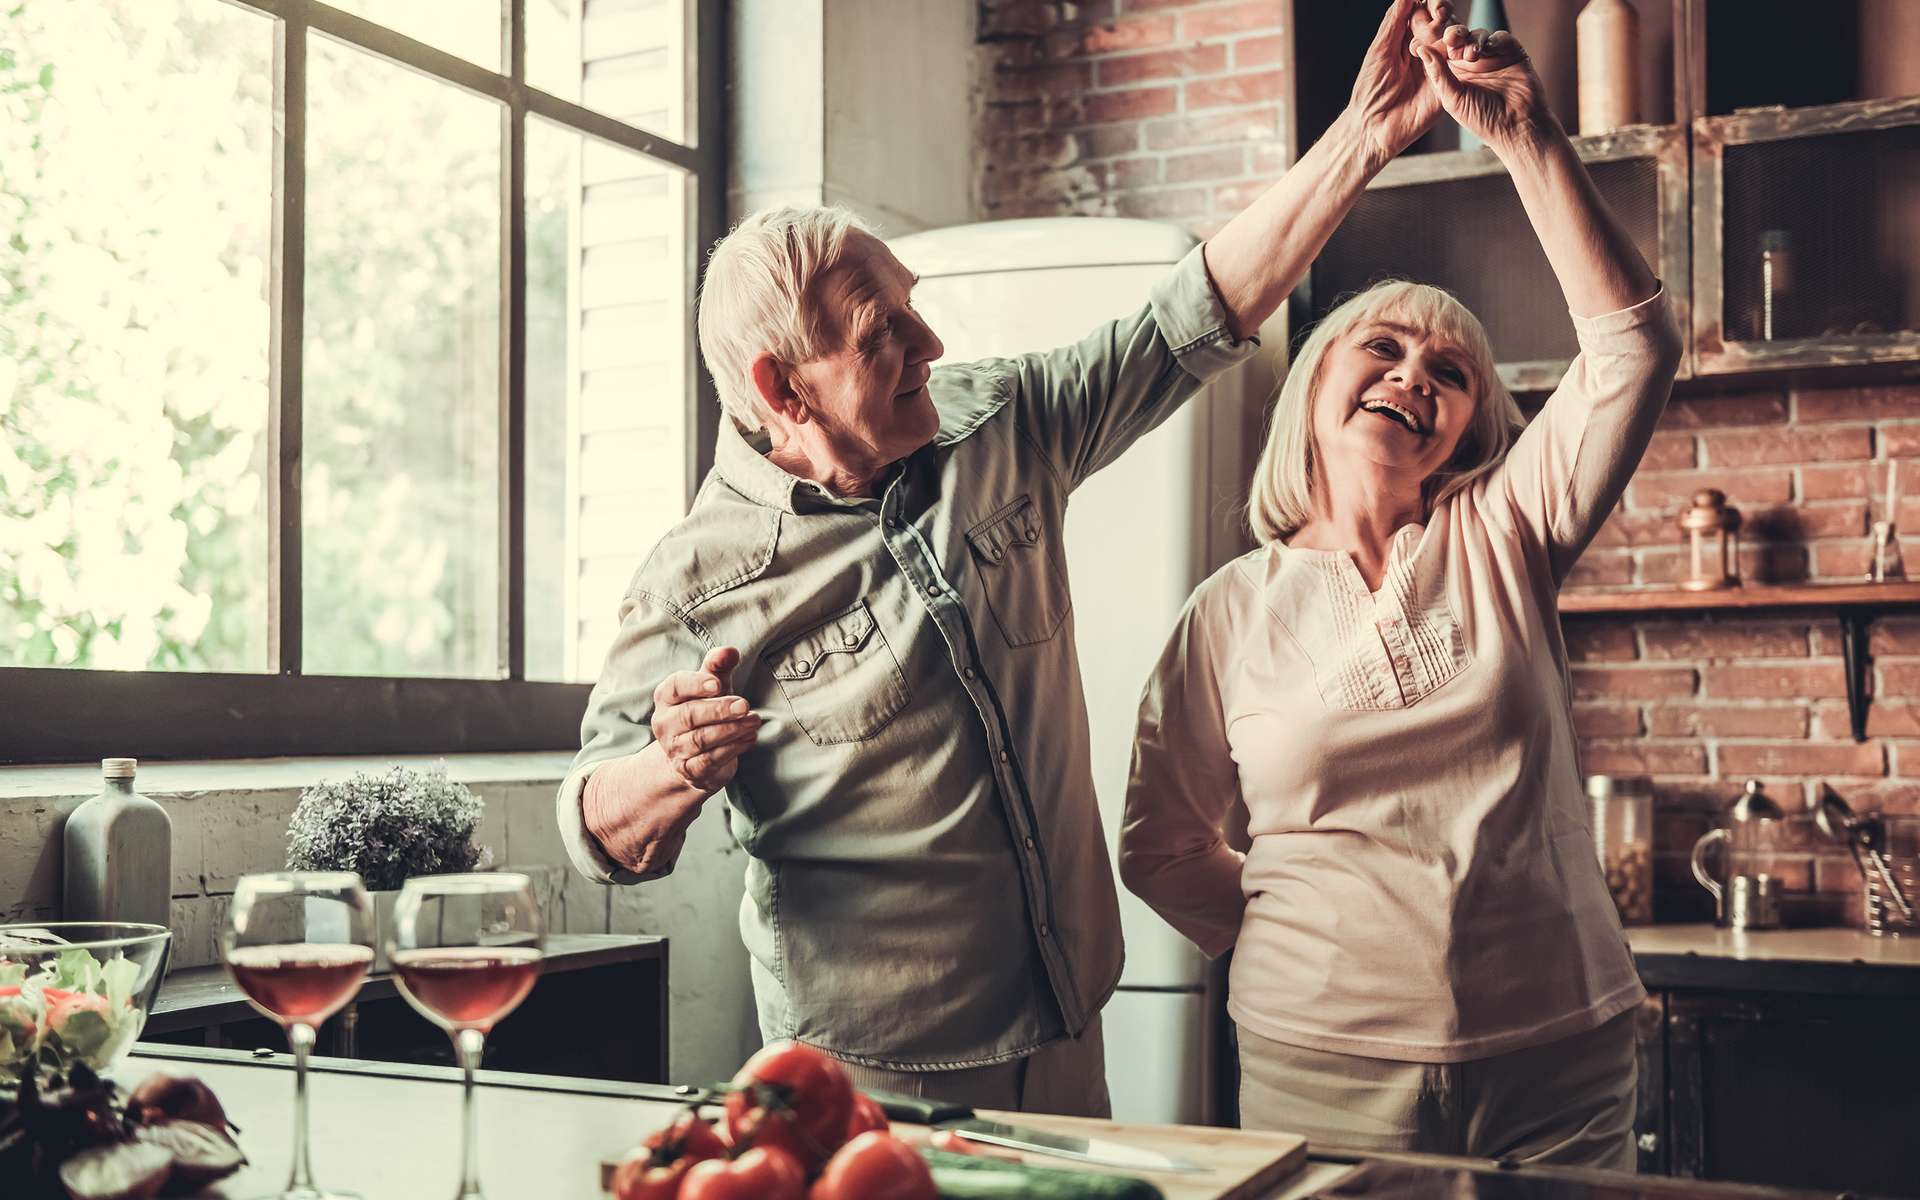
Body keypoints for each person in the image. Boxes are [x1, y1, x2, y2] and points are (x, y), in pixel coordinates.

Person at [557, 0, 1463, 1116]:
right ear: (781, 391)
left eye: (912, 306)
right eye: (880, 328)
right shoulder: (694, 579)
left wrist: (1365, 133)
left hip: (1070, 1020)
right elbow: (600, 833)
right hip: (870, 1073)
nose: (929, 343)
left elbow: (1193, 313)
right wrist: (669, 768)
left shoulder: (1000, 426)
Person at [1118, 1, 1682, 1167]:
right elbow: (1162, 848)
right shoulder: (1226, 611)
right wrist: (1310, 946)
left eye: (1452, 372)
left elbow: (1631, 346)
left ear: (1473, 425)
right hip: (1313, 1062)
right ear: (1317, 383)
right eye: (1383, 346)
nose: (1416, 373)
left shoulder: (1506, 530)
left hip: (1557, 1055)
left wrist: (1525, 136)